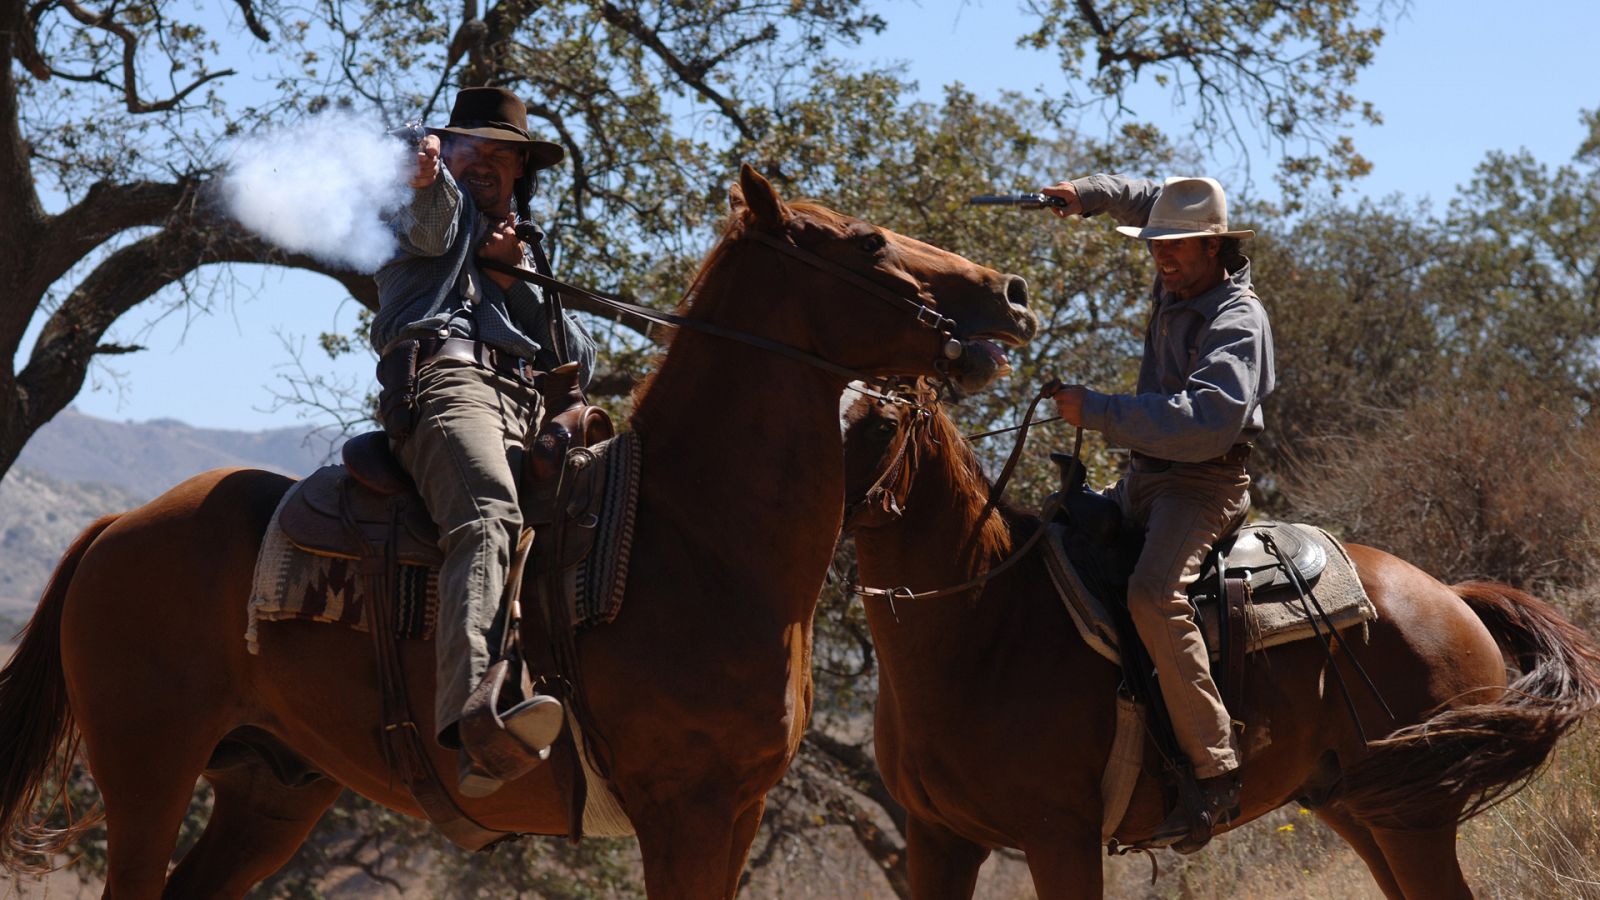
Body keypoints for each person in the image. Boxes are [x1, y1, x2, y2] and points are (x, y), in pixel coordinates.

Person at [370, 86, 597, 797]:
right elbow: (435, 225)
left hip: (531, 409)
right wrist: (428, 176)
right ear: (448, 149)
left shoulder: (522, 242)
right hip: (450, 387)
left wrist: (516, 281)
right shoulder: (418, 208)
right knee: (490, 515)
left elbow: (577, 361)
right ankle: (479, 725)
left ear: (522, 173)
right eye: (476, 147)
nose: (491, 164)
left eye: (508, 155)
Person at [1041, 174, 1274, 848]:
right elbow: (1149, 199)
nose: (1161, 257)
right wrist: (1085, 194)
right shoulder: (1181, 274)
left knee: (1151, 595)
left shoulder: (1236, 317)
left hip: (1201, 488)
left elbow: (1207, 424)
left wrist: (1103, 412)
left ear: (1213, 247)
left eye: (1175, 248)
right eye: (1155, 247)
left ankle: (1216, 770)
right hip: (1144, 479)